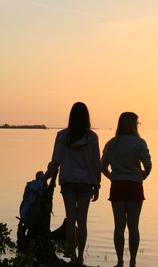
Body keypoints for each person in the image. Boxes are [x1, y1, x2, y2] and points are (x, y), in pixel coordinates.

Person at [42, 102, 101, 266]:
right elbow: (96, 163)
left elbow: (55, 162)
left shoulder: (62, 135)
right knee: (82, 221)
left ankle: (73, 258)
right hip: (86, 183)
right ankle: (81, 258)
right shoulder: (92, 137)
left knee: (70, 219)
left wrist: (45, 178)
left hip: (67, 181)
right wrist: (97, 184)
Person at [101, 112, 152, 267]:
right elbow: (148, 165)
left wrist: (112, 177)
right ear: (133, 125)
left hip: (117, 186)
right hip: (134, 186)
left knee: (119, 226)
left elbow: (102, 167)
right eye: (137, 123)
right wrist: (143, 175)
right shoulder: (140, 143)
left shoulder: (111, 143)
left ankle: (119, 262)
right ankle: (133, 262)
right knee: (133, 226)